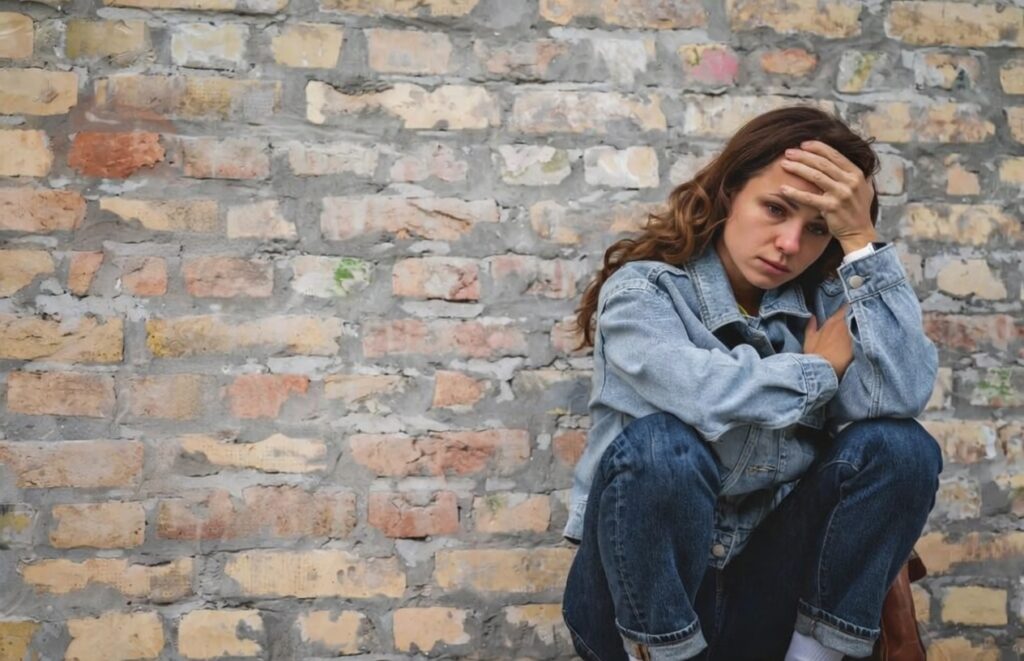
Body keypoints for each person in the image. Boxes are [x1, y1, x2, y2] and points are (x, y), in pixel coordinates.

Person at [560, 106, 942, 661]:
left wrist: (860, 239)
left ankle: (812, 656)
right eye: (775, 208)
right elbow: (703, 393)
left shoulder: (825, 306)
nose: (789, 243)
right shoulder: (643, 293)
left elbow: (899, 398)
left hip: (763, 593)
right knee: (662, 445)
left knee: (902, 447)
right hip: (635, 600)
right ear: (729, 192)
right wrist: (819, 371)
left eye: (817, 229)